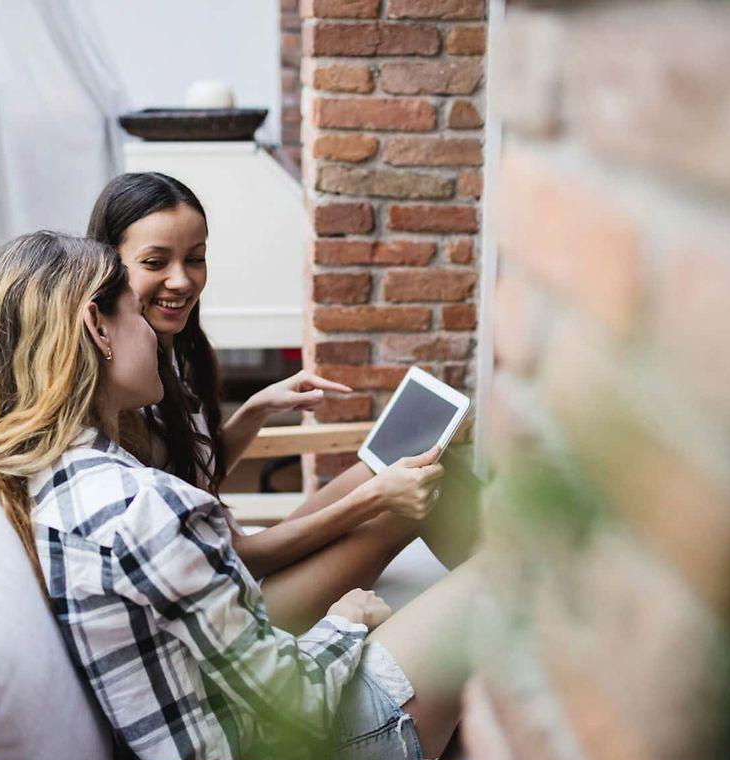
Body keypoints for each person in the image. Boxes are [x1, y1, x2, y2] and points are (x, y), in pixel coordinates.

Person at [0, 230, 477, 760]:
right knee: (506, 572)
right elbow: (300, 702)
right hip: (303, 742)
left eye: (196, 257)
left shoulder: (57, 476)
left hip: (226, 716)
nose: (151, 329)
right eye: (135, 313)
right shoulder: (138, 506)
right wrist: (346, 621)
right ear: (98, 328)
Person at [87, 172, 481, 632]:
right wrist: (374, 499)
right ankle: (535, 611)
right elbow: (239, 555)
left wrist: (256, 408)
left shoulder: (170, 349)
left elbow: (193, 471)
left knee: (401, 464)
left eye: (195, 259)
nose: (181, 280)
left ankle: (530, 587)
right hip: (224, 611)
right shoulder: (123, 384)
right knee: (414, 491)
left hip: (226, 566)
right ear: (109, 264)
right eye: (155, 262)